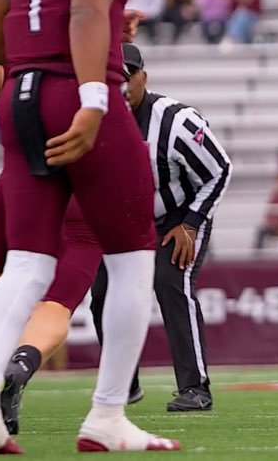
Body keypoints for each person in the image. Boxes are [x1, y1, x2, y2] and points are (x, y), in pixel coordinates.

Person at [0, 0, 178, 453]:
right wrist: (91, 98)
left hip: (22, 97)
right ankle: (107, 414)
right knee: (133, 258)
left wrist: (101, 24)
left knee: (24, 263)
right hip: (80, 92)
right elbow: (84, 6)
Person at [87, 42, 231, 413]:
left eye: (128, 76)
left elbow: (220, 169)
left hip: (179, 216)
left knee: (171, 281)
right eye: (112, 77)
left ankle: (196, 387)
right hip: (128, 221)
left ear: (143, 78)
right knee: (102, 292)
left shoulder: (176, 121)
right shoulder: (94, 118)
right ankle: (124, 380)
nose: (121, 84)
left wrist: (192, 223)